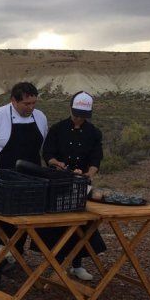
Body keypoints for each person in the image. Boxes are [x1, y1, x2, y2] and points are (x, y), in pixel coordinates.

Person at [0, 82, 49, 256]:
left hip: (31, 181)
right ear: (13, 100)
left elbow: (42, 142)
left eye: (34, 103)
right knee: (4, 225)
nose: (31, 107)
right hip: (1, 182)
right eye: (26, 104)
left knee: (26, 221)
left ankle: (17, 255)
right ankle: (4, 258)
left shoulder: (40, 117)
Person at [41, 91, 106, 280]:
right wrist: (58, 165)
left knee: (82, 224)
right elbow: (48, 154)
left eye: (83, 116)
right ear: (70, 109)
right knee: (58, 225)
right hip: (59, 181)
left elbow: (96, 158)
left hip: (81, 184)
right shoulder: (57, 129)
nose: (79, 119)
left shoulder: (94, 133)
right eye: (76, 115)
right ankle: (57, 263)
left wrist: (87, 174)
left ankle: (77, 264)